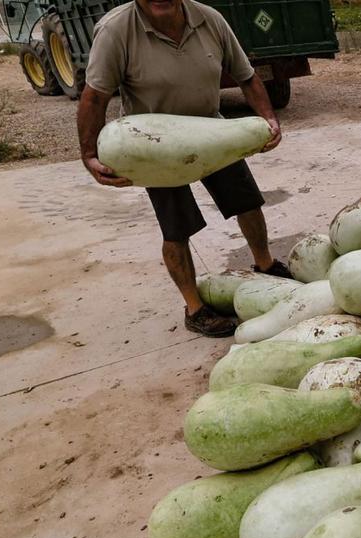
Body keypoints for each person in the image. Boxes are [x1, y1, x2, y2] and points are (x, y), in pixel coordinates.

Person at [76, 0, 290, 337]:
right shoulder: (115, 30)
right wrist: (89, 154)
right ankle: (195, 308)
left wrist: (268, 119)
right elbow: (95, 96)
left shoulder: (210, 19)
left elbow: (246, 76)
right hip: (154, 146)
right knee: (177, 228)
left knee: (247, 202)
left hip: (212, 132)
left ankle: (266, 264)